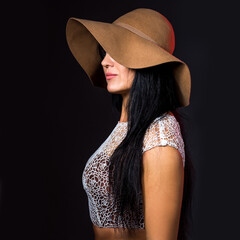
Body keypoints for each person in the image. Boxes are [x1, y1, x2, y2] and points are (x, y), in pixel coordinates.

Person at [65, 8, 195, 240]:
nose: (104, 62)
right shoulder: (127, 127)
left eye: (116, 51)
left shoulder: (160, 135)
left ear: (147, 61)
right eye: (105, 52)